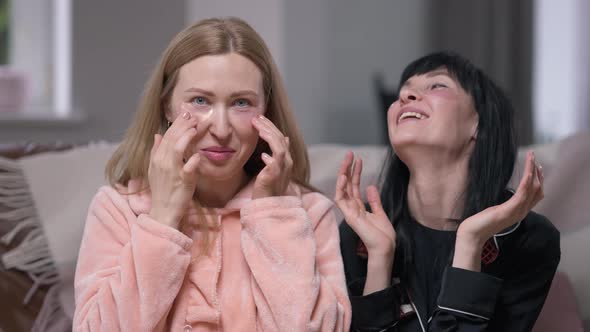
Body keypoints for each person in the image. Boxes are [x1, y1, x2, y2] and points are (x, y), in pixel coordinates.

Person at [73, 17, 351, 331]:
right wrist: (161, 220)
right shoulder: (117, 210)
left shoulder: (309, 214)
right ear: (167, 106)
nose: (220, 129)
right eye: (200, 100)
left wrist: (273, 215)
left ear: (267, 112)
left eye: (242, 103)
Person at [336, 51, 560, 331]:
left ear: (479, 123)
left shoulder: (531, 240)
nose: (406, 97)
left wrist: (471, 242)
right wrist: (380, 258)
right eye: (403, 92)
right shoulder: (359, 233)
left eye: (437, 85)